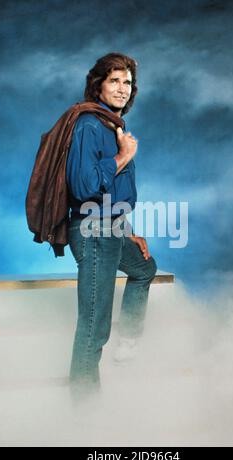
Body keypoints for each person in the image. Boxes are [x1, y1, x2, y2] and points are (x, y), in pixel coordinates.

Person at [66, 52, 157, 402]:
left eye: (127, 83)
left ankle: (130, 339)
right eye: (114, 81)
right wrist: (123, 156)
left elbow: (111, 195)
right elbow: (85, 187)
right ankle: (84, 411)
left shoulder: (110, 125)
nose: (122, 88)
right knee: (93, 327)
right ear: (99, 84)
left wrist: (128, 229)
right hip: (92, 233)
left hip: (113, 227)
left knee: (144, 268)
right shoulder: (89, 124)